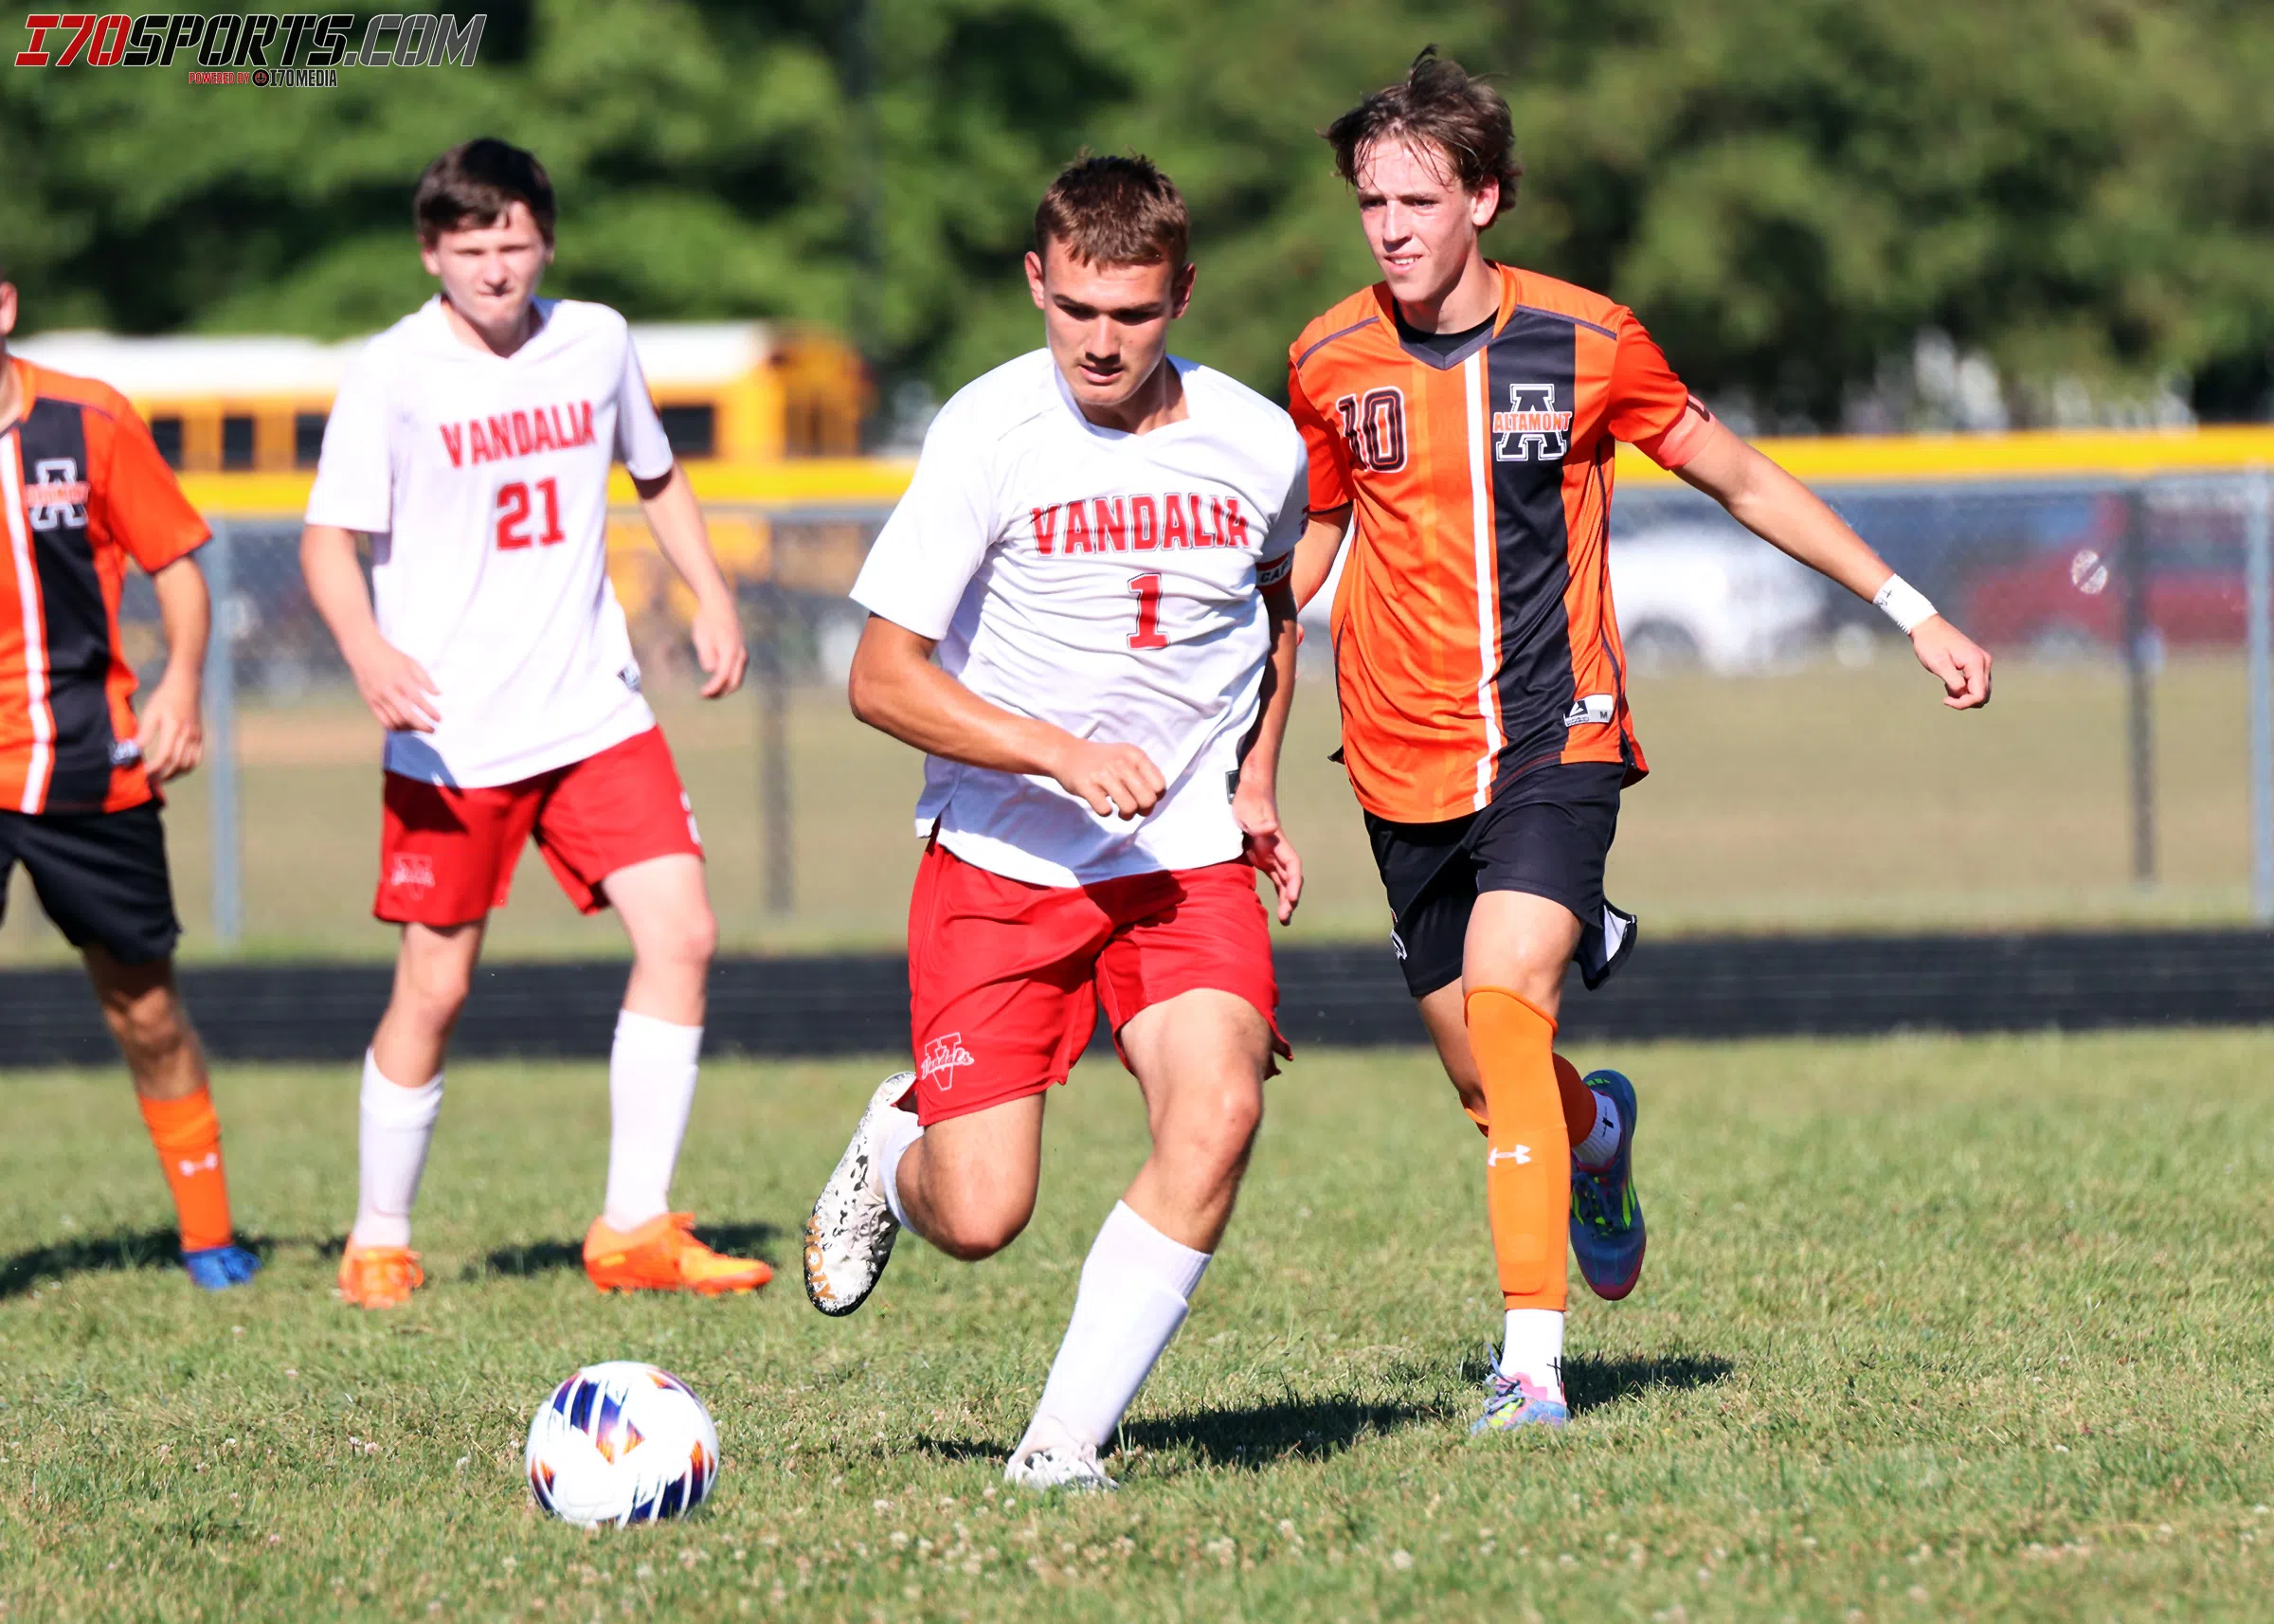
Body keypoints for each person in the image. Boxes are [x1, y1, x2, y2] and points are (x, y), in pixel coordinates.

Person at [1288, 52, 1994, 1433]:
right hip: (1397, 751)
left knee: (1510, 1000)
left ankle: (1530, 1367)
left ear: (1485, 198)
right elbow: (1312, 539)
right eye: (1372, 202)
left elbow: (1739, 476)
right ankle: (1596, 1136)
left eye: (1419, 200)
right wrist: (1232, 701)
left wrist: (1909, 608)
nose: (1392, 228)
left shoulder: (1591, 339)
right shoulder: (1325, 358)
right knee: (1489, 1077)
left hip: (1559, 734)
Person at [801, 155, 1308, 1492]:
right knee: (982, 1214)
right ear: (1036, 280)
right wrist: (1062, 755)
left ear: (1183, 295)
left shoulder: (1261, 443)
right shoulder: (986, 431)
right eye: (1076, 306)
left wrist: (1256, 780)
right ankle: (895, 1147)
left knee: (1219, 1109)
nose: (1100, 340)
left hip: (1181, 861)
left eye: (1133, 314)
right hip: (1004, 860)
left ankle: (1060, 1446)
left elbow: (1274, 615)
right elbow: (881, 678)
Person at [300, 138, 767, 1309]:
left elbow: (656, 476)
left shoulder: (598, 340)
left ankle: (634, 1227)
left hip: (594, 709)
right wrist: (368, 651)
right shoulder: (392, 371)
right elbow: (326, 541)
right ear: (432, 254)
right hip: (452, 732)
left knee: (684, 934)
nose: (496, 267)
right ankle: (379, 1236)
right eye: (471, 248)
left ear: (546, 241)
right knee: (436, 987)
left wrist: (711, 594)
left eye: (513, 242)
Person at [0, 268, 261, 1290]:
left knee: (146, 1009)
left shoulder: (90, 419)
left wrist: (181, 684)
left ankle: (209, 1235)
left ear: (5, 306)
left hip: (88, 761)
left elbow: (177, 565)